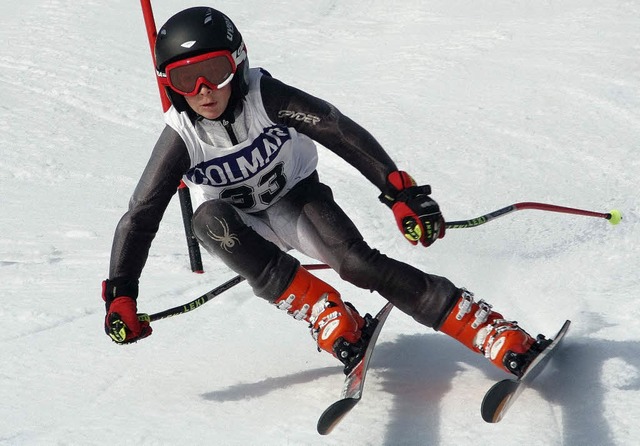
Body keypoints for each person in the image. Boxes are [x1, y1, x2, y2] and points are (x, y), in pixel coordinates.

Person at [103, 6, 550, 376]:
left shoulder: (265, 96)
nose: (203, 92)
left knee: (357, 264)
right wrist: (121, 293)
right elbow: (140, 216)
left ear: (237, 61)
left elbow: (336, 129)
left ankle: (484, 328)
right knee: (207, 220)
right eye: (186, 80)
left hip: (296, 200)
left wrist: (398, 191)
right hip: (240, 228)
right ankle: (326, 312)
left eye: (215, 72)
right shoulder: (181, 135)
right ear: (169, 85)